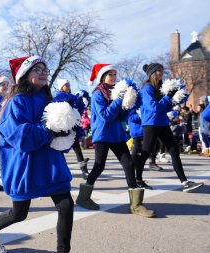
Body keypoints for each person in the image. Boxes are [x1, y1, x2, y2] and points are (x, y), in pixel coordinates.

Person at [0, 55, 74, 253]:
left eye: (44, 70)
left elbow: (61, 137)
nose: (42, 73)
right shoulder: (15, 102)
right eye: (37, 69)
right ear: (24, 74)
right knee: (19, 213)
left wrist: (67, 129)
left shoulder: (50, 99)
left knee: (66, 205)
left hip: (50, 163)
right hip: (24, 165)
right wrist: (51, 130)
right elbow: (20, 137)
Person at [75, 64, 155, 218]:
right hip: (103, 135)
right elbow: (105, 115)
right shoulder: (98, 94)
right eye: (110, 74)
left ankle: (136, 205)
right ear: (102, 77)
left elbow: (120, 117)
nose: (113, 76)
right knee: (99, 166)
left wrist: (128, 104)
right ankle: (83, 197)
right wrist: (119, 100)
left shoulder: (117, 92)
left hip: (117, 135)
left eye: (114, 73)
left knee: (129, 164)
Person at [135, 63, 204, 192]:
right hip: (151, 124)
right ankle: (137, 180)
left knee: (174, 151)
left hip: (162, 123)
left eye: (162, 70)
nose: (161, 72)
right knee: (145, 152)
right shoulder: (147, 88)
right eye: (158, 71)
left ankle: (184, 182)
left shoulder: (160, 88)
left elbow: (165, 107)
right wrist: (167, 97)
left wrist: (174, 99)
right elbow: (154, 107)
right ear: (152, 74)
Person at [55, 79, 89, 179]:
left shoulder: (73, 97)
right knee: (60, 150)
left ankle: (84, 171)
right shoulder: (58, 98)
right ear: (61, 87)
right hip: (63, 128)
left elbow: (79, 110)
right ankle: (61, 172)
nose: (68, 87)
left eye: (69, 85)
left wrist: (82, 102)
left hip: (73, 127)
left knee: (77, 149)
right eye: (66, 85)